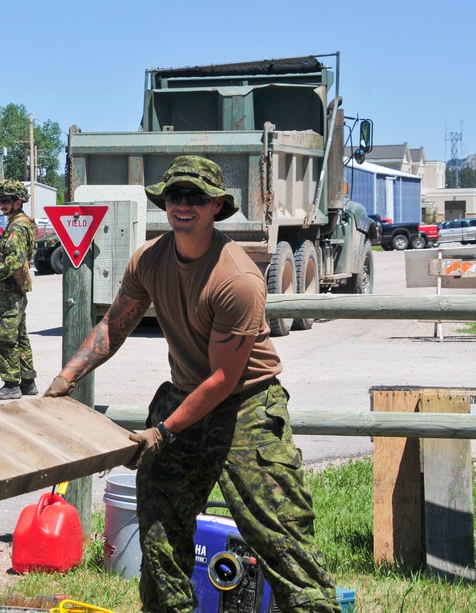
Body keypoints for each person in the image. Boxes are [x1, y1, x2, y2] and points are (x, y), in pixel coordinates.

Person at [44, 155, 340, 613]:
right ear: (164, 201)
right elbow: (114, 326)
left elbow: (223, 379)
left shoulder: (237, 278)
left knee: (280, 540)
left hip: (246, 410)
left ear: (217, 206)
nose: (183, 205)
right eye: (175, 195)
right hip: (184, 400)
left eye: (196, 197)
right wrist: (66, 379)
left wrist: (161, 432)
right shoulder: (149, 259)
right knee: (160, 530)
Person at [0, 178, 38, 401]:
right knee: (19, 335)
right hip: (15, 289)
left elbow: (15, 262)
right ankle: (27, 382)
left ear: (18, 201)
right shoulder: (20, 222)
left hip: (10, 289)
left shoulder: (17, 226)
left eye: (6, 201)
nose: (2, 205)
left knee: (3, 337)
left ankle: (11, 385)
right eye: (0, 201)